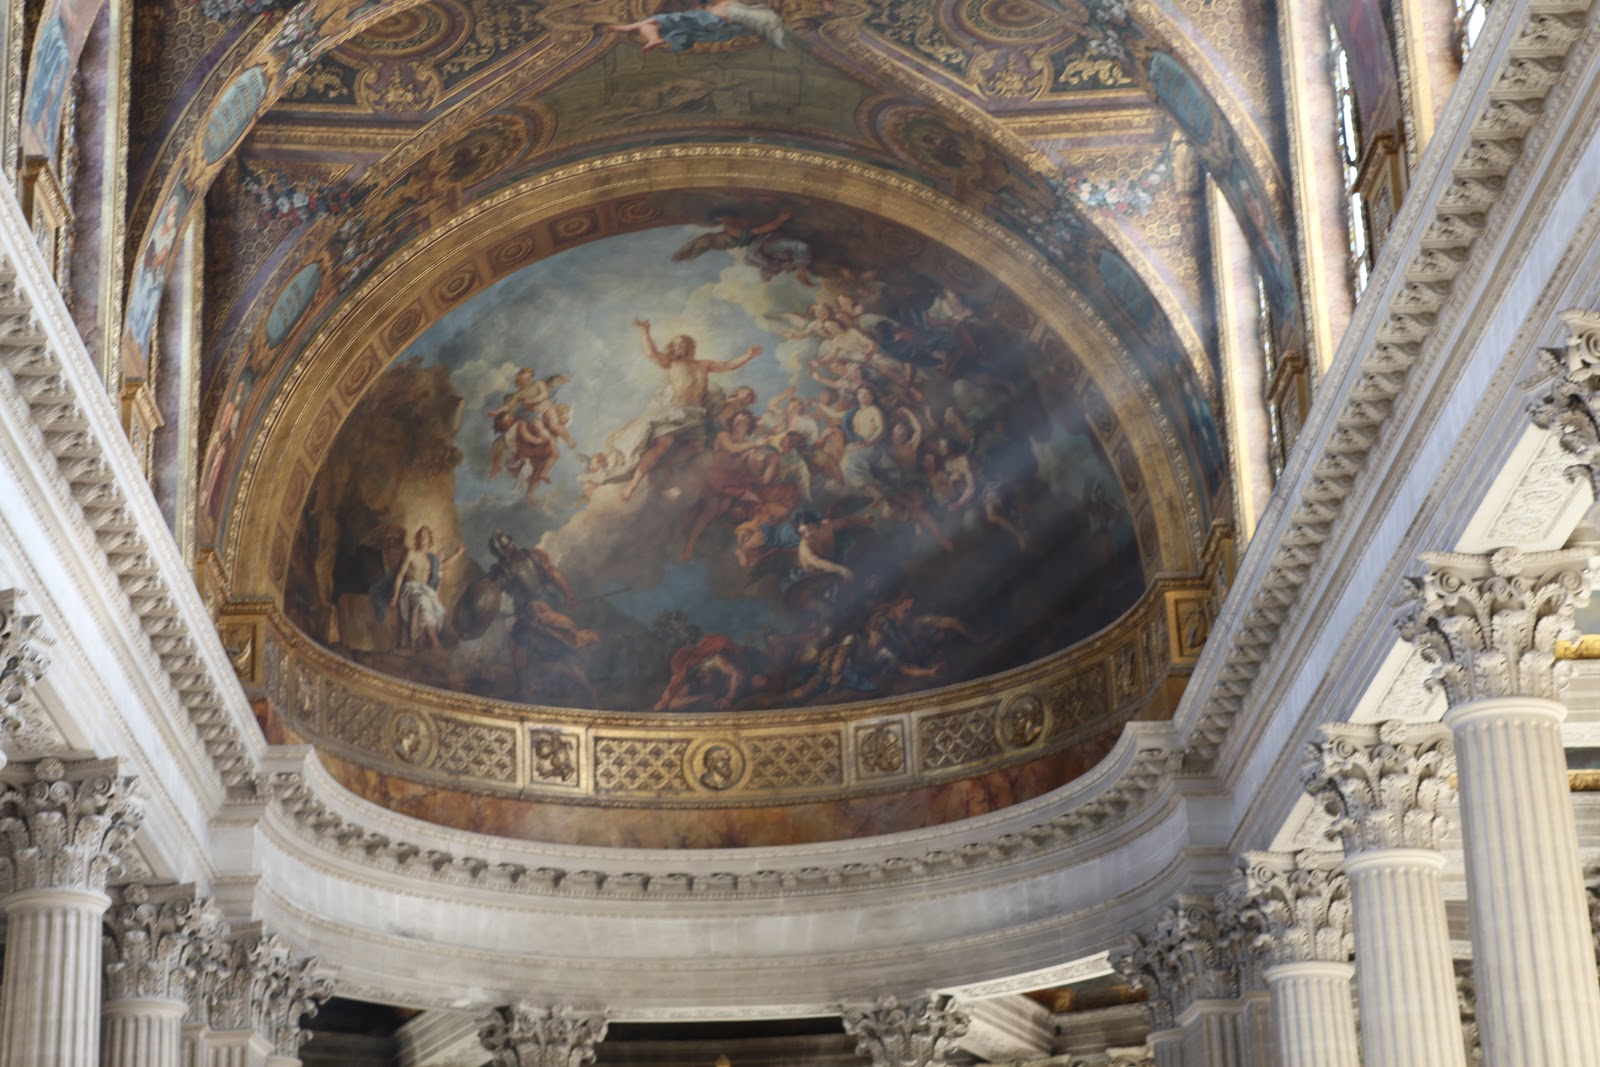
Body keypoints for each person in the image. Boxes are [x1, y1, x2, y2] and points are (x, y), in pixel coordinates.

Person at [590, 320, 763, 502]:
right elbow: (651, 352)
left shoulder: (703, 364)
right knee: (663, 444)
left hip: (696, 414)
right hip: (676, 411)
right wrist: (645, 332)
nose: (681, 346)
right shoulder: (671, 363)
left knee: (696, 447)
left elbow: (727, 365)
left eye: (684, 343)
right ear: (673, 348)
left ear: (690, 346)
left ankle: (660, 467)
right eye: (677, 344)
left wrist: (748, 356)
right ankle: (632, 485)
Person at [605, 0, 784, 53]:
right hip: (714, 25)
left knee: (650, 22)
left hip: (711, 21)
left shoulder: (725, 6)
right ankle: (646, 33)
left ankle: (642, 32)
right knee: (656, 25)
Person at [389, 526, 464, 653]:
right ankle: (434, 642)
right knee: (423, 601)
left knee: (437, 609)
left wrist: (458, 553)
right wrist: (395, 595)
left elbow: (444, 565)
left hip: (425, 591)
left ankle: (422, 642)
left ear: (430, 540)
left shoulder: (431, 559)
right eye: (421, 535)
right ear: (417, 539)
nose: (423, 538)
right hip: (411, 590)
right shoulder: (411, 554)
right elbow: (400, 575)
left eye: (426, 536)